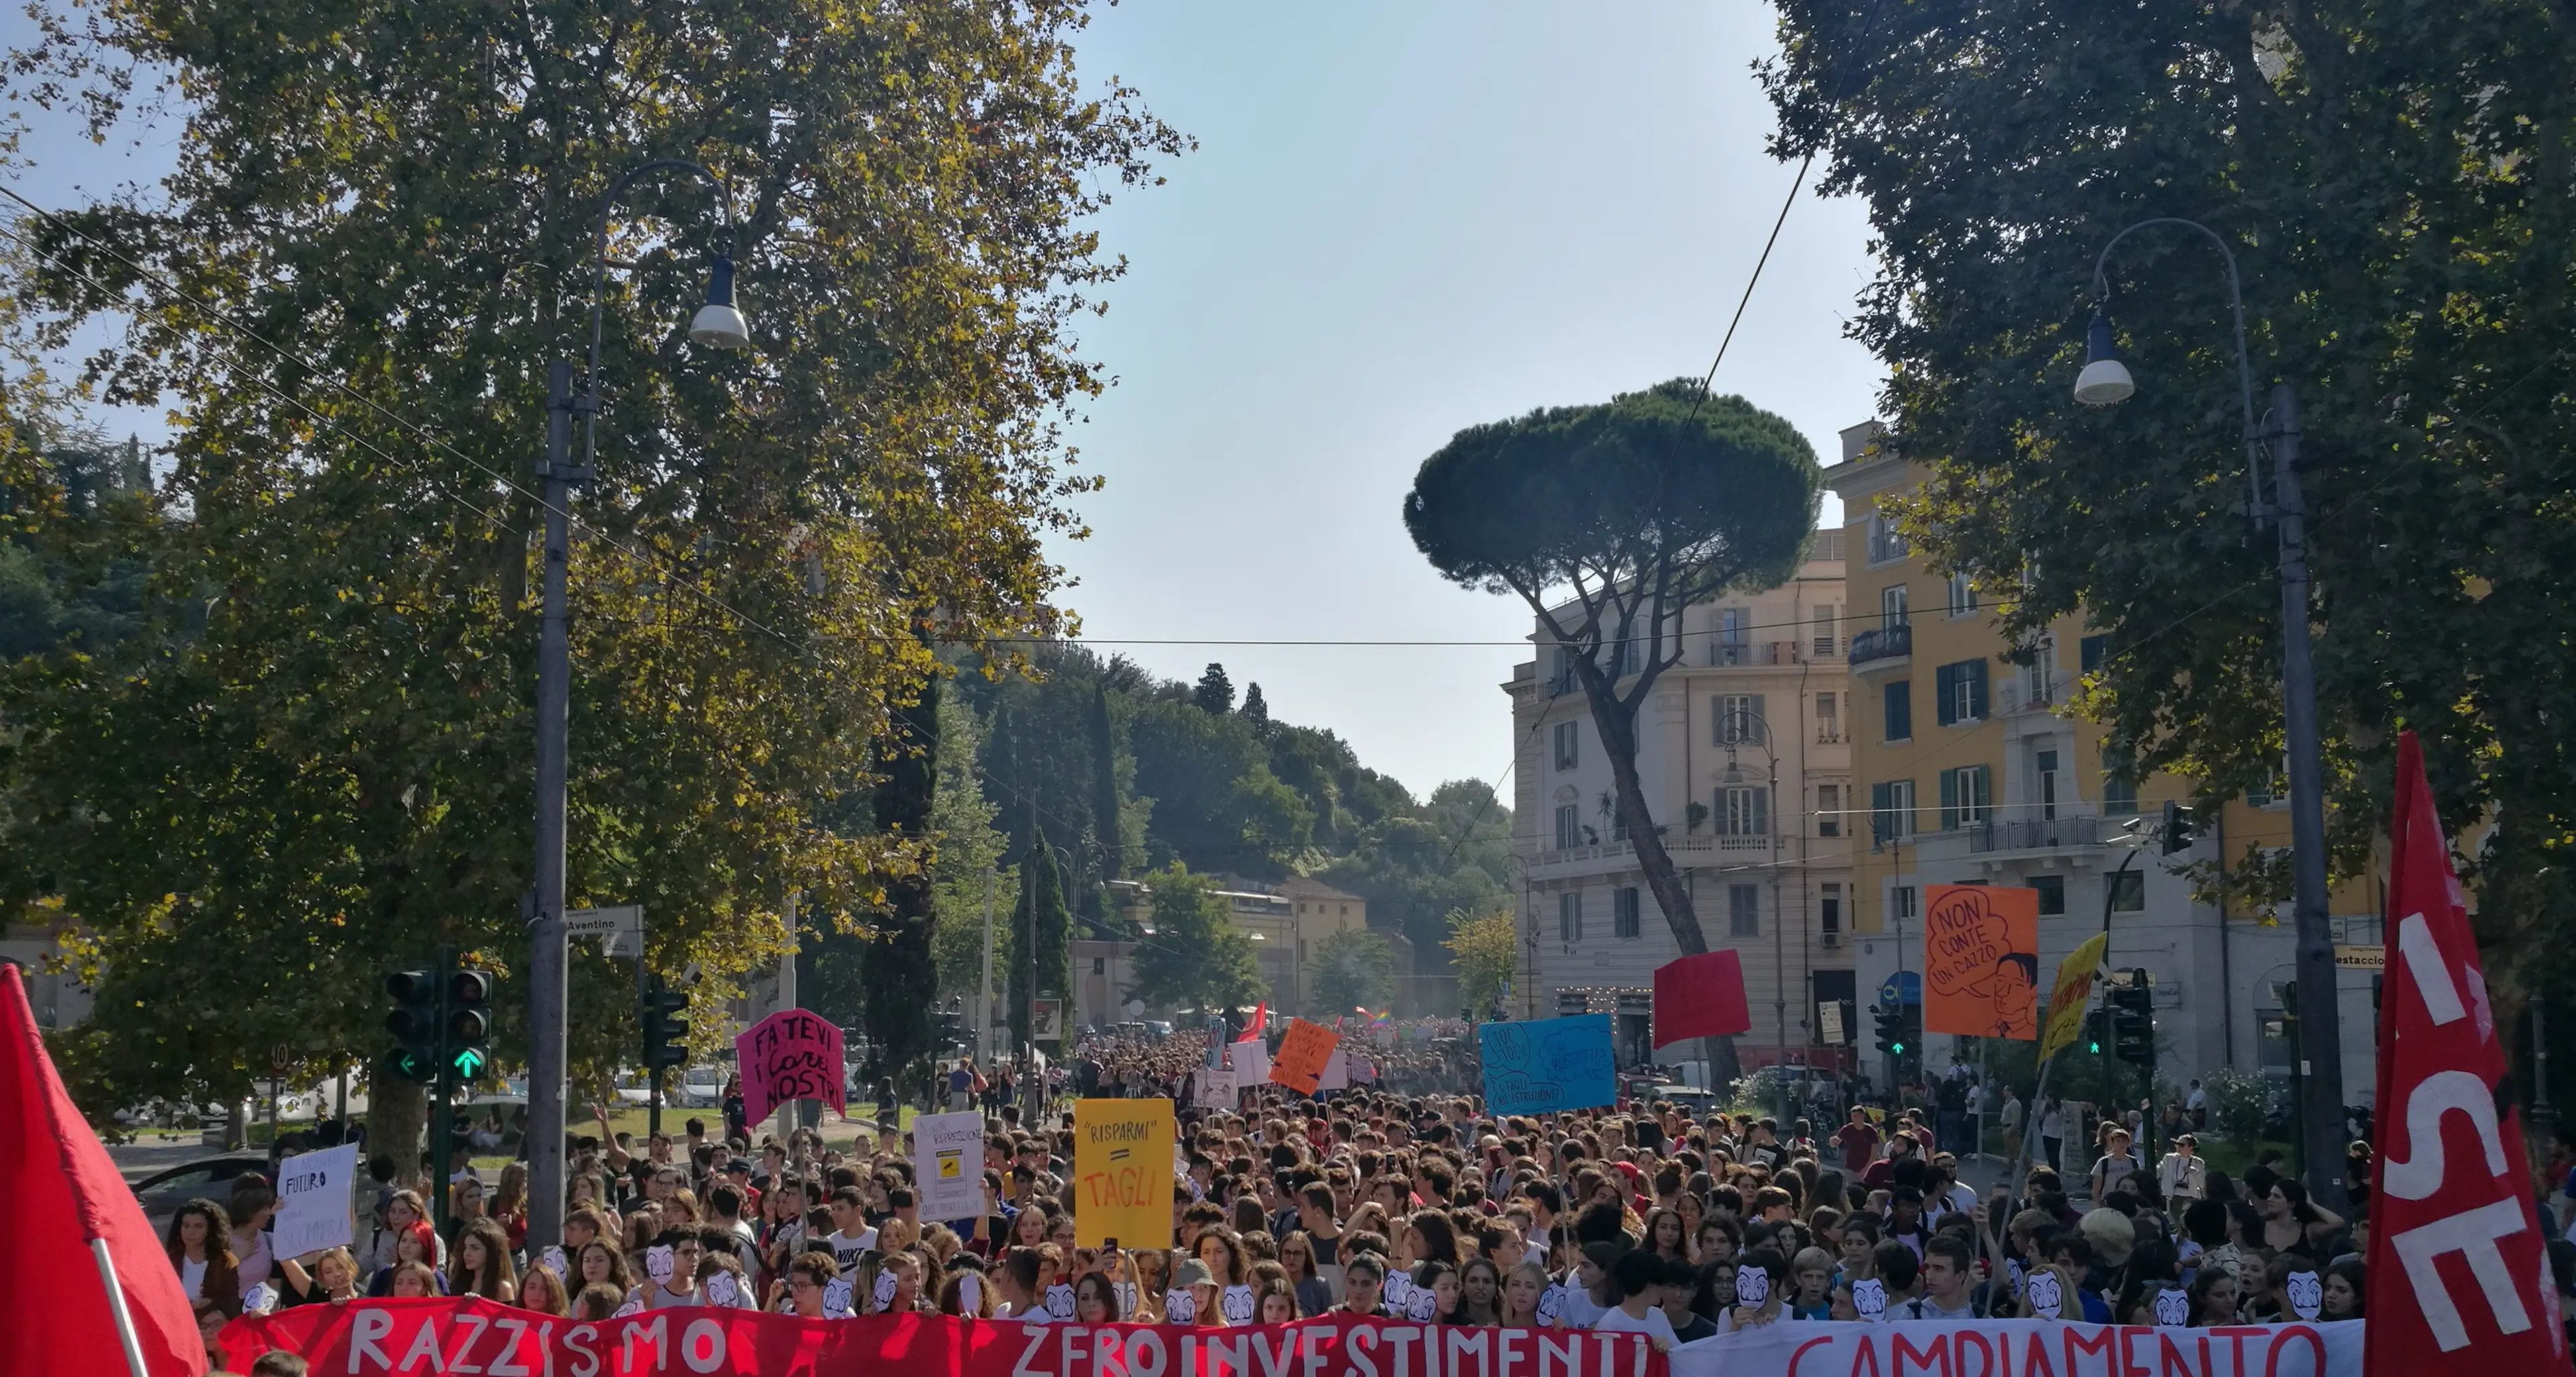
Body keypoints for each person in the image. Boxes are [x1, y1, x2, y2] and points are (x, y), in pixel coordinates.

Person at [1590, 1250, 1677, 1351]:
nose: (1664, 1291)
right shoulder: (1609, 1325)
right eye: (1662, 1285)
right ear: (1649, 1287)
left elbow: (1681, 1353)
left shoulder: (1659, 1316)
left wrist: (1669, 1348)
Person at [168, 1199, 244, 1316]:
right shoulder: (170, 1260)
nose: (191, 1232)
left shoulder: (225, 1261)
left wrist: (210, 1304)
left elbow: (231, 1302)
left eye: (198, 1227)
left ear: (209, 1230)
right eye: (186, 1226)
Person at [2089, 1128, 2141, 1203]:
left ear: (2128, 1144)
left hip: (2129, 1202)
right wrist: (2099, 1206)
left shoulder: (2134, 1162)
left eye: (2124, 1141)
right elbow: (2096, 1190)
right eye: (2118, 1140)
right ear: (2113, 1143)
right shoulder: (2104, 1162)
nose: (2121, 1144)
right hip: (2109, 1202)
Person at [2157, 1133, 2207, 1203]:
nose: (2178, 1147)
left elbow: (2202, 1184)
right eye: (2177, 1144)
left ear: (2191, 1148)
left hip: (2191, 1197)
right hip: (2172, 1196)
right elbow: (2158, 1172)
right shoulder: (2169, 1159)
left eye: (2182, 1145)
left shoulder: (2198, 1163)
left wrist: (2195, 1172)